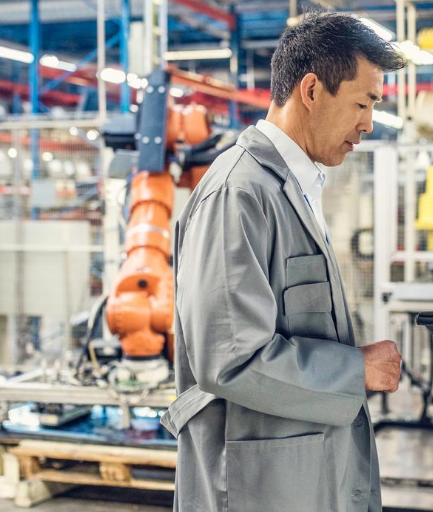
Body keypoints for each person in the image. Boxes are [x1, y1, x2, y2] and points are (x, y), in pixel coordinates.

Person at [160, 12, 407, 512]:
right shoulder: (239, 193)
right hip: (255, 483)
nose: (368, 123)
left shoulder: (291, 186)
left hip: (295, 472)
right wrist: (354, 369)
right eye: (363, 102)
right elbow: (229, 357)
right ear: (312, 91)